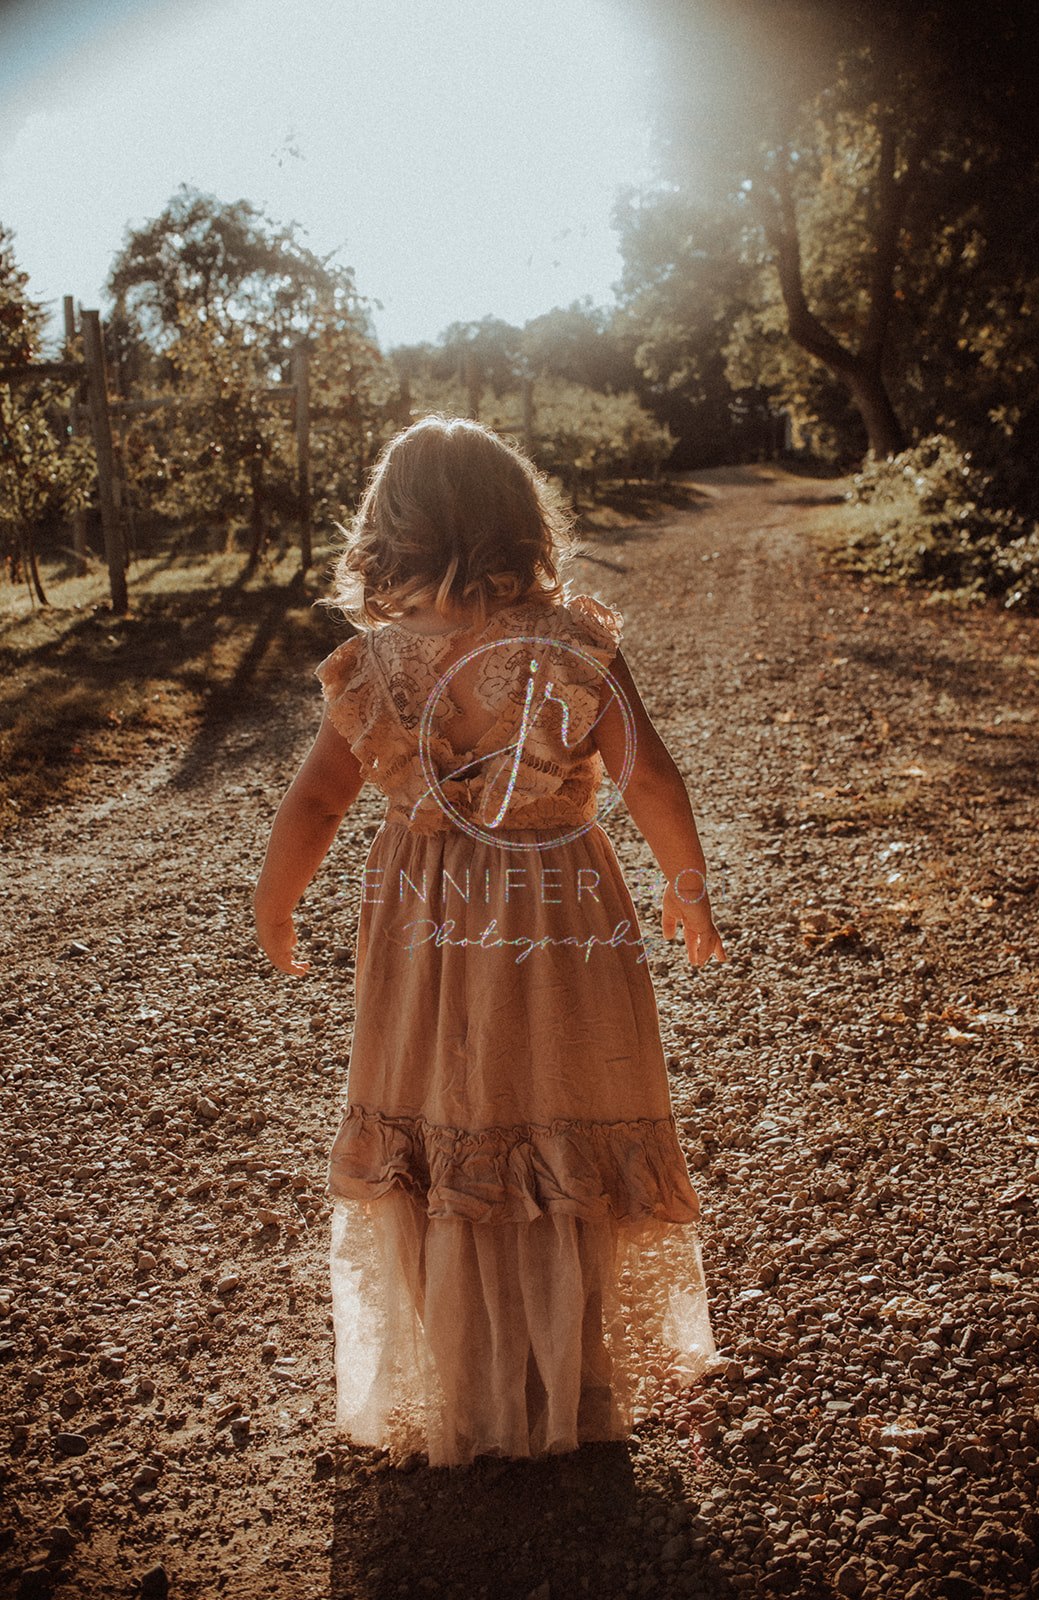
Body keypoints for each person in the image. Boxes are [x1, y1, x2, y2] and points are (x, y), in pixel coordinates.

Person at [254, 415, 727, 1469]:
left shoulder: (376, 664)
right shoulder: (572, 643)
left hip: (429, 922)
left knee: (448, 1107)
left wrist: (275, 903)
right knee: (561, 1098)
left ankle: (464, 1382)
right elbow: (648, 774)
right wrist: (686, 887)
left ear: (392, 534)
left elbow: (320, 804)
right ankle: (575, 1376)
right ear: (523, 524)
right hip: (562, 907)